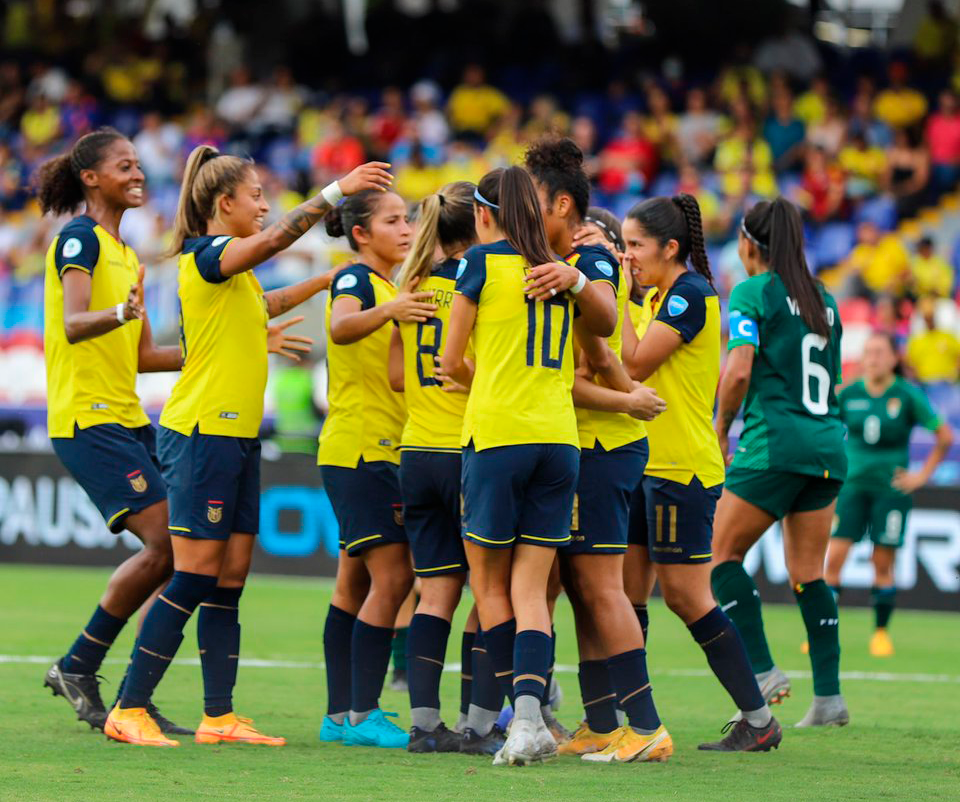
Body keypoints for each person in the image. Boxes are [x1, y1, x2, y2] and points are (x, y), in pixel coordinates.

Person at [103, 146, 391, 747]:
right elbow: (274, 241)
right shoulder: (206, 255)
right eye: (255, 195)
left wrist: (335, 279)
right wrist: (335, 190)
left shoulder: (234, 272)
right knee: (194, 576)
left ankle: (218, 716)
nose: (264, 205)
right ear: (222, 203)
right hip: (202, 432)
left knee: (229, 579)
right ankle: (129, 707)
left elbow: (266, 302)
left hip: (235, 436)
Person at [440, 166, 616, 766]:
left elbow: (449, 360)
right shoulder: (562, 271)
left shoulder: (480, 264)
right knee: (533, 588)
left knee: (490, 586)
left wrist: (487, 382)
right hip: (559, 439)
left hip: (496, 437)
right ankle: (535, 718)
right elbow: (606, 329)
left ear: (484, 214)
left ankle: (523, 725)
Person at [525, 137, 673, 764]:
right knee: (587, 588)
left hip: (603, 446)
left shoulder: (590, 269)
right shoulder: (565, 261)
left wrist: (625, 398)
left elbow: (596, 362)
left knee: (602, 585)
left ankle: (644, 725)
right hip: (590, 445)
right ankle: (600, 722)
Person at [38, 127, 190, 735]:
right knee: (171, 546)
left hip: (127, 415)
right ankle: (87, 667)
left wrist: (230, 347)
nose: (137, 173)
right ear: (91, 178)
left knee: (184, 551)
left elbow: (145, 356)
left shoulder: (127, 254)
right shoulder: (79, 239)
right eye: (124, 165)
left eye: (138, 164)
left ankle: (111, 683)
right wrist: (119, 312)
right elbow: (76, 324)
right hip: (86, 417)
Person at [619, 194, 782, 752]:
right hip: (646, 463)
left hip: (680, 468)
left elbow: (634, 364)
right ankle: (632, 720)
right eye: (623, 243)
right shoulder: (661, 294)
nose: (627, 255)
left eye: (635, 244)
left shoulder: (690, 295)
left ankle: (758, 719)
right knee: (626, 594)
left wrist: (612, 297)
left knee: (688, 597)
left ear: (670, 247)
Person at [711, 198, 849, 729]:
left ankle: (764, 671)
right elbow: (831, 379)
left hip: (775, 443)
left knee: (718, 557)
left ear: (748, 244)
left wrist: (722, 427)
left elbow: (740, 369)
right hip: (825, 445)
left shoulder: (751, 292)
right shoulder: (825, 299)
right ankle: (830, 700)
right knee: (809, 574)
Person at [318, 186, 434, 750]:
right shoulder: (355, 279)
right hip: (364, 449)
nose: (406, 229)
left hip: (375, 448)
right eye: (392, 221)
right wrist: (390, 309)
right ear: (362, 233)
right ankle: (363, 712)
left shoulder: (390, 284)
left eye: (407, 219)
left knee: (353, 583)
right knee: (394, 578)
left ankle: (340, 714)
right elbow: (340, 327)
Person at [388, 181, 502, 754]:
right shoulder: (478, 282)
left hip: (415, 450)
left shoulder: (411, 286)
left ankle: (424, 725)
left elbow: (393, 375)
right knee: (488, 593)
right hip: (466, 451)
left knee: (434, 594)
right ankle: (479, 726)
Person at [826, 333, 953, 656]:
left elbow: (944, 435)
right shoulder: (848, 392)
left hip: (890, 491)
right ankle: (822, 631)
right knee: (834, 558)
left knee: (882, 562)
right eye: (868, 352)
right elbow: (823, 428)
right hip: (852, 487)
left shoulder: (907, 395)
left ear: (894, 358)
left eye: (880, 352)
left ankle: (880, 633)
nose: (873, 358)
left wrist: (921, 476)